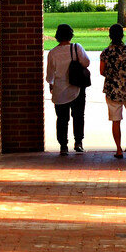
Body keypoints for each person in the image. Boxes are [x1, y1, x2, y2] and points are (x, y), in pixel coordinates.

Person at [46, 23, 90, 156]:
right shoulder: (77, 48)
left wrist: (51, 84)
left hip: (59, 91)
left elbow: (49, 75)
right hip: (77, 87)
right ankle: (78, 142)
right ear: (71, 35)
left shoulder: (52, 53)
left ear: (58, 36)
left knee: (62, 118)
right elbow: (86, 63)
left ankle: (63, 145)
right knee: (78, 116)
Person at [100, 23, 126, 158]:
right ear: (122, 35)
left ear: (110, 36)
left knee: (116, 120)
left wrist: (113, 74)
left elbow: (102, 71)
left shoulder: (105, 52)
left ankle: (118, 149)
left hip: (112, 89)